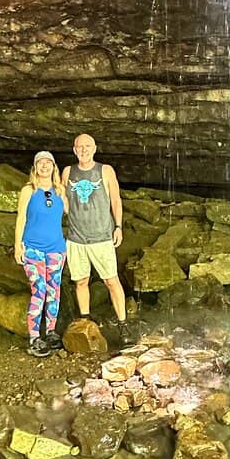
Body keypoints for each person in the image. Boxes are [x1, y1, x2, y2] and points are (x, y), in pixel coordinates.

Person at [62, 133, 132, 342]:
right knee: (81, 281)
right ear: (74, 150)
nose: (83, 150)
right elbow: (63, 200)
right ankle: (85, 319)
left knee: (111, 280)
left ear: (94, 148)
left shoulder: (105, 171)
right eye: (79, 147)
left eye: (87, 146)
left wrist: (118, 227)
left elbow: (116, 200)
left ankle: (123, 324)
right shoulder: (68, 172)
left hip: (101, 236)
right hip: (76, 237)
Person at [14, 150, 66, 358]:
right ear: (35, 168)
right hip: (33, 249)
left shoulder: (60, 190)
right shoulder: (29, 190)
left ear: (54, 167)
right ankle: (34, 337)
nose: (44, 166)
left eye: (48, 163)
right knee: (39, 290)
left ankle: (51, 331)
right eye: (40, 163)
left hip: (56, 249)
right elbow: (21, 218)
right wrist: (18, 246)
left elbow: (74, 212)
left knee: (54, 291)